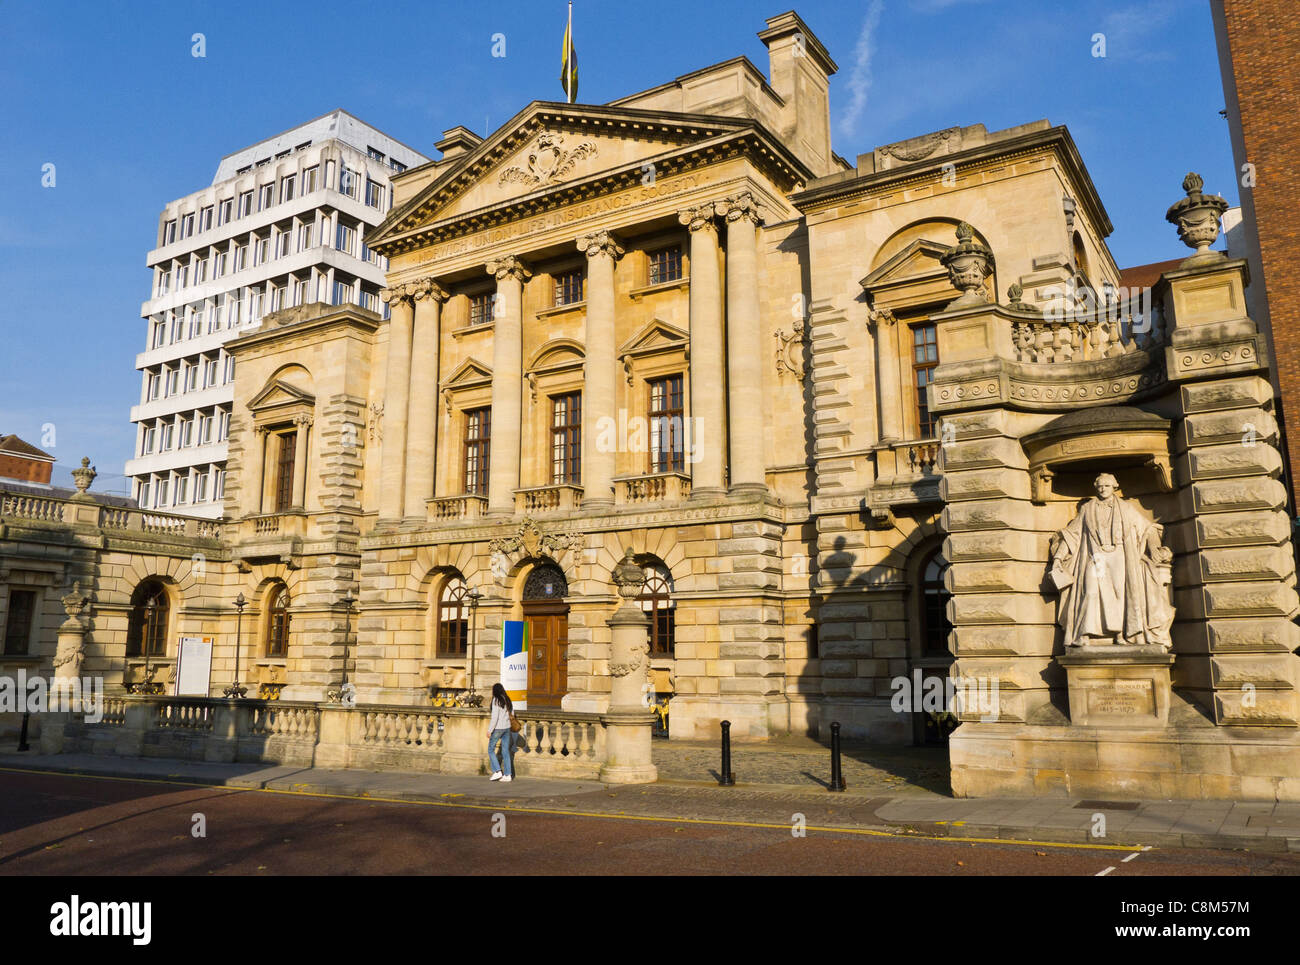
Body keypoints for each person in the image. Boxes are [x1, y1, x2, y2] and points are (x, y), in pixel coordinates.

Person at [1049, 473, 1173, 649]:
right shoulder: (1087, 509)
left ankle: (1119, 633)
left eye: (1106, 486)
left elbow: (1149, 529)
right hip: (1096, 557)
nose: (1102, 489)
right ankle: (1083, 634)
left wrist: (1154, 549)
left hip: (1119, 556)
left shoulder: (1126, 508)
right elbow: (1072, 535)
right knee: (1090, 591)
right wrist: (1058, 558)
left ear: (1114, 487)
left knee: (1119, 595)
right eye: (1099, 486)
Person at [486, 683, 516, 782]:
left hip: (498, 728)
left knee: (490, 749)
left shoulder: (496, 700)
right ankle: (508, 775)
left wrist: (490, 730)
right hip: (507, 728)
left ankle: (497, 771)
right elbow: (512, 713)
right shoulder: (507, 699)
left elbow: (495, 718)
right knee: (505, 751)